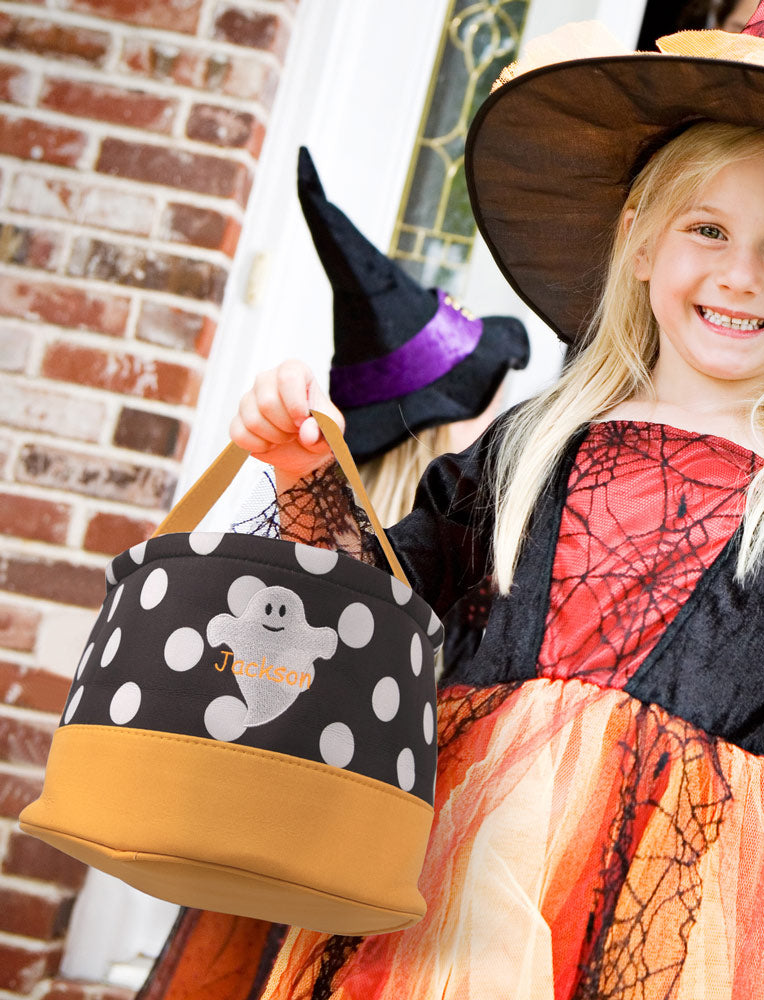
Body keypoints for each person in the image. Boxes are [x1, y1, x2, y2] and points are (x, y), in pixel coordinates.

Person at [231, 3, 764, 997]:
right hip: (448, 866)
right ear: (638, 242)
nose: (738, 272)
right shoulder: (526, 446)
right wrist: (306, 481)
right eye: (707, 228)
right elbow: (373, 621)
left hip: (663, 911)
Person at [134, 150, 529, 1000]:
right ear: (441, 439)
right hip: (380, 875)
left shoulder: (317, 558)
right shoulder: (440, 573)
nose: (503, 430)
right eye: (487, 410)